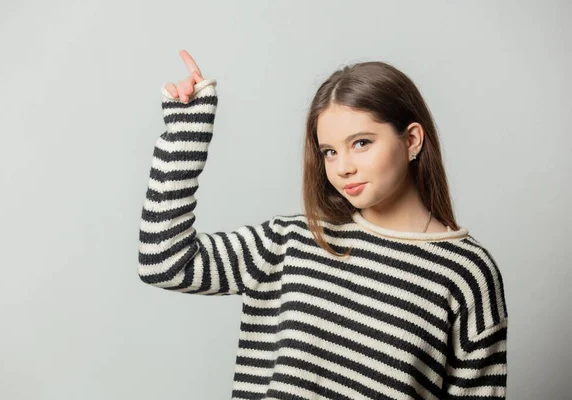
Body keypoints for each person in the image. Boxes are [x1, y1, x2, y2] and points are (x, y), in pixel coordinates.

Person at [138, 49, 508, 400]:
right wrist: (185, 137)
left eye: (361, 143)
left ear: (411, 140)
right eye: (329, 151)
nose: (342, 166)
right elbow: (164, 262)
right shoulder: (291, 242)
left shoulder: (465, 273)